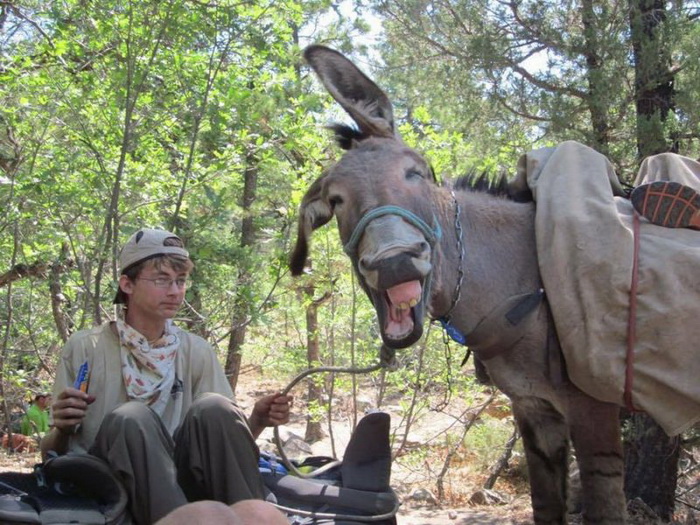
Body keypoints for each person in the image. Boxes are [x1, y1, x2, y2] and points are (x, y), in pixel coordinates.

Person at [41, 228, 293, 524]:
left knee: (216, 407)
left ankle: (251, 518)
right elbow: (52, 454)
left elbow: (218, 449)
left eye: (181, 281)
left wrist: (256, 421)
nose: (175, 291)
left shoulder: (196, 351)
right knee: (132, 417)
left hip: (183, 479)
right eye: (161, 280)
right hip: (111, 482)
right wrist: (62, 428)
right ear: (127, 284)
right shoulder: (86, 347)